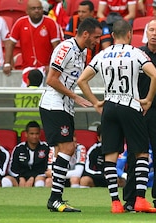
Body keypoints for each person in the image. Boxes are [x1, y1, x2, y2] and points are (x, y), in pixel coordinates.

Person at [77, 19, 156, 213]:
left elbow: (82, 80)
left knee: (110, 155)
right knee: (140, 152)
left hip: (110, 106)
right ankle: (140, 198)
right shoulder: (137, 53)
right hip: (130, 104)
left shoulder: (103, 54)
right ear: (130, 34)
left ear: (113, 35)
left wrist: (96, 101)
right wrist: (148, 99)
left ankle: (115, 202)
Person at [39, 17, 102, 212]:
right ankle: (55, 198)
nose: (97, 41)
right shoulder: (65, 48)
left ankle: (56, 199)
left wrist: (92, 101)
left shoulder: (82, 52)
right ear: (85, 34)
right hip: (54, 104)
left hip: (65, 105)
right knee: (68, 147)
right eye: (96, 37)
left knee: (64, 149)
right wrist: (75, 96)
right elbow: (51, 79)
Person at [123, 19, 156, 213]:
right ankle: (130, 200)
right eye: (151, 30)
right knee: (134, 156)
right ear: (146, 33)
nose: (154, 33)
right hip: (137, 111)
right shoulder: (136, 53)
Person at [4, 0, 61, 78]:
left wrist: (54, 66)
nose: (36, 11)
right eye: (33, 8)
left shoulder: (51, 23)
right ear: (27, 11)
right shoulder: (20, 22)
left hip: (46, 69)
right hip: (26, 68)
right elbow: (10, 43)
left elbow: (57, 47)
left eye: (39, 8)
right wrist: (7, 63)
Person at [2, 121, 51, 187]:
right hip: (20, 178)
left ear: (40, 134)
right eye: (32, 134)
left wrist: (32, 177)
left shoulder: (46, 148)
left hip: (39, 177)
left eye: (37, 134)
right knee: (5, 180)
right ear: (26, 134)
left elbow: (47, 169)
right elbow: (11, 169)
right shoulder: (18, 148)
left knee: (39, 182)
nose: (34, 136)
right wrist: (21, 178)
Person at [13, 69, 44, 136]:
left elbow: (14, 111)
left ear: (28, 80)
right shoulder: (44, 94)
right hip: (39, 131)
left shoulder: (19, 93)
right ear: (41, 82)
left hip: (19, 130)